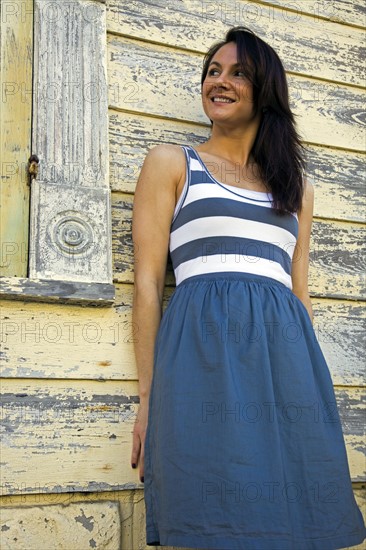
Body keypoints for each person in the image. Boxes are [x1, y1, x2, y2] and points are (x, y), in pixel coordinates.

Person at [130, 26, 366, 550]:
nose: (220, 80)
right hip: (201, 361)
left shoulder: (296, 189)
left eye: (238, 72)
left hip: (286, 364)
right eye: (213, 71)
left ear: (266, 89)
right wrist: (148, 399)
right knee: (207, 503)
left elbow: (297, 293)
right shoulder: (172, 164)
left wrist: (313, 388)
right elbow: (147, 283)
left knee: (295, 504)